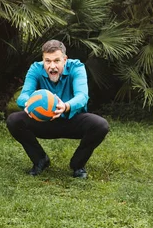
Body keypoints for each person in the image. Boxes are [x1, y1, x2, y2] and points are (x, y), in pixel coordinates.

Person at [7, 40, 109, 179]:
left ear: (65, 59)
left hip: (71, 119)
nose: (52, 66)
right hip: (44, 120)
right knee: (14, 120)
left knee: (100, 125)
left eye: (56, 61)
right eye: (47, 61)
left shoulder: (76, 67)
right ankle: (40, 160)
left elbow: (82, 96)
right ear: (43, 60)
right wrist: (29, 103)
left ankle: (77, 165)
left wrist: (65, 106)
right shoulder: (36, 68)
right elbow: (23, 96)